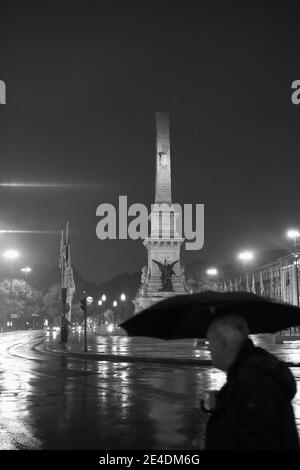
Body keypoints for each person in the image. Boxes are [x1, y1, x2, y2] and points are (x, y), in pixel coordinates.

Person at [204, 314, 300, 449]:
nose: (208, 349)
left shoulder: (255, 387)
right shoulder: (245, 378)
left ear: (221, 343)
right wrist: (222, 405)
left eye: (209, 343)